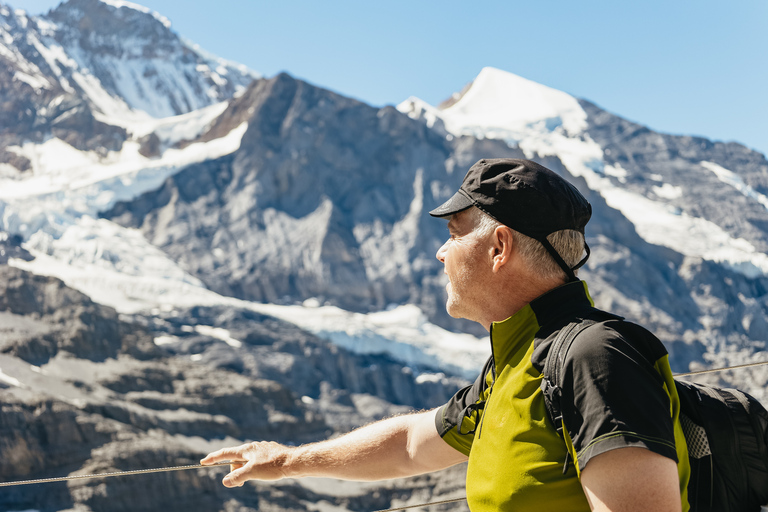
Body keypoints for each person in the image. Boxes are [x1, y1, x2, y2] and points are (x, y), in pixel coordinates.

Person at [202, 158, 690, 511]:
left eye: (455, 233)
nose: (441, 253)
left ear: (500, 247)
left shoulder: (593, 356)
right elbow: (410, 445)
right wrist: (287, 461)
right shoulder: (519, 359)